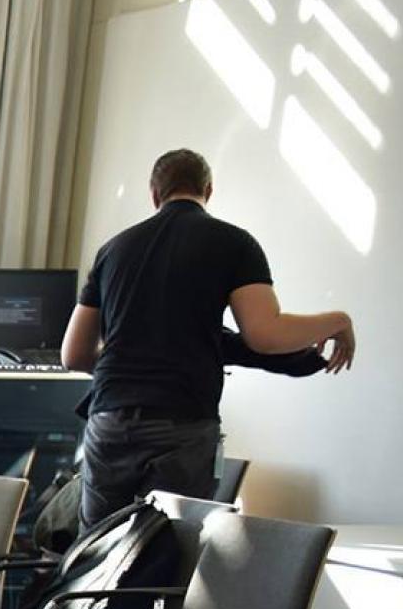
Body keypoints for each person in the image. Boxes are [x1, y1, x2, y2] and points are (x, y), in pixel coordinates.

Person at [64, 147, 354, 533]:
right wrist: (337, 320)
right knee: (169, 554)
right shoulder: (233, 243)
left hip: (110, 418)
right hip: (182, 421)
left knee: (96, 554)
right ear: (208, 190)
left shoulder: (113, 249)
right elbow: (265, 335)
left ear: (154, 193)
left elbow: (74, 354)